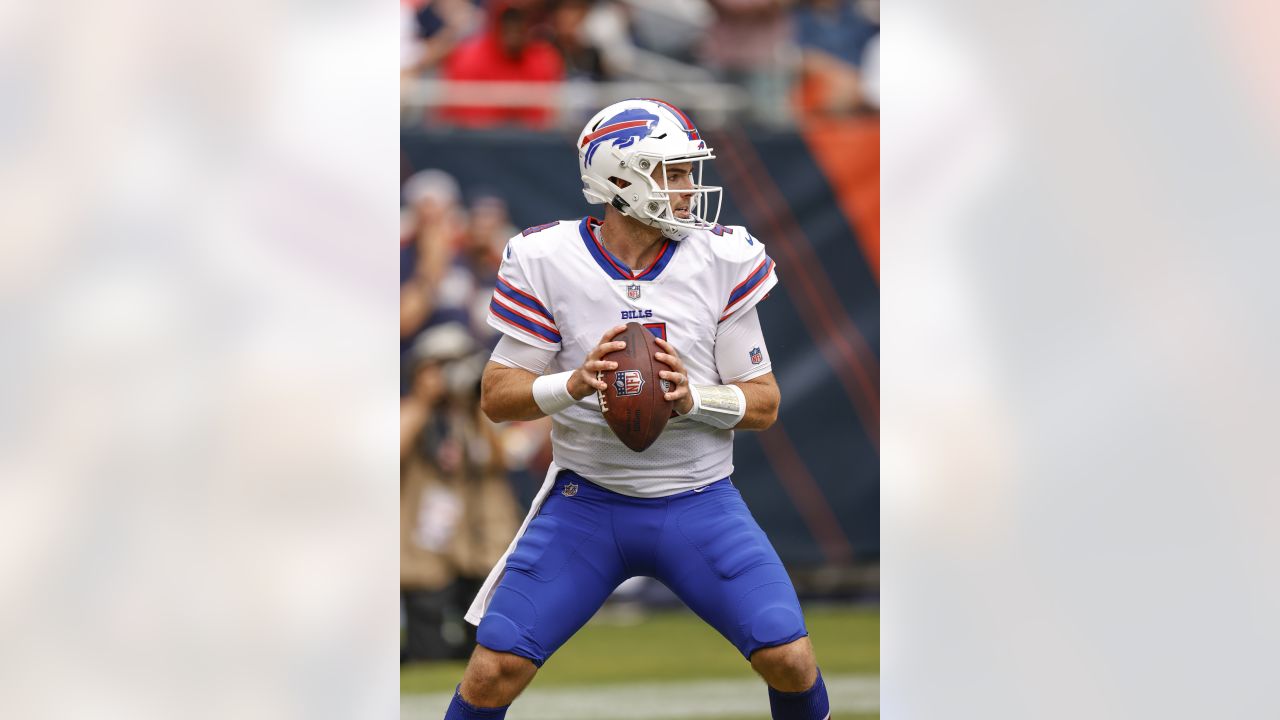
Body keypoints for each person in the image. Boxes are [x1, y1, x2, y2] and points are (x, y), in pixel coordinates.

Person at [442, 98, 830, 720]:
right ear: (619, 178)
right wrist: (573, 384)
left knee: (790, 658)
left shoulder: (720, 257)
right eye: (671, 173)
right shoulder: (549, 259)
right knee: (494, 670)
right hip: (588, 502)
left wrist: (693, 399)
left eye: (686, 173)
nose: (687, 189)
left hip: (700, 498)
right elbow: (497, 396)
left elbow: (765, 403)